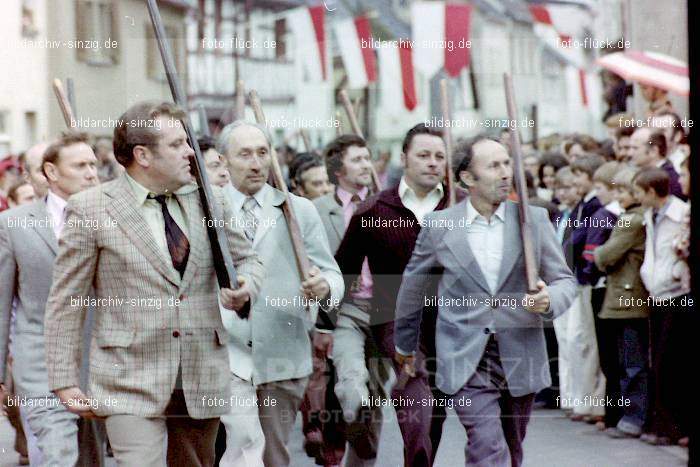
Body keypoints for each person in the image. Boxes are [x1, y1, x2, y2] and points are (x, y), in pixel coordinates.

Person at [43, 102, 265, 467]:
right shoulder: (91, 209)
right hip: (127, 377)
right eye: (177, 144)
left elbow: (247, 259)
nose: (190, 151)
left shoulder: (210, 200)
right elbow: (67, 300)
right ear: (142, 155)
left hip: (200, 374)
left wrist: (246, 285)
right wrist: (64, 380)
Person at [394, 137, 576, 467]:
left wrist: (550, 299)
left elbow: (565, 281)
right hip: (465, 356)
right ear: (467, 178)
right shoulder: (440, 226)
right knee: (486, 445)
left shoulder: (532, 221)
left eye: (507, 163)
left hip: (521, 350)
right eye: (494, 166)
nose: (506, 172)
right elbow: (412, 289)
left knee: (511, 448)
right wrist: (405, 347)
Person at [216, 121, 343, 467]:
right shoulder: (207, 210)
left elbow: (332, 272)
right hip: (227, 352)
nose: (256, 163)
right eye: (245, 154)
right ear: (223, 160)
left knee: (273, 454)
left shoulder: (297, 210)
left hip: (283, 353)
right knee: (242, 444)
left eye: (262, 153)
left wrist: (325, 286)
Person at [334, 124, 450, 467]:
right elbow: (343, 272)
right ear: (404, 158)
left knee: (435, 411)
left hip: (450, 320)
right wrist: (325, 326)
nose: (432, 163)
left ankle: (421, 458)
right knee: (413, 385)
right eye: (424, 155)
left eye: (439, 157)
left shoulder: (458, 207)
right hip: (394, 318)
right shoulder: (373, 211)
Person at [0, 132, 100, 466]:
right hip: (39, 363)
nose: (91, 173)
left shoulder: (113, 219)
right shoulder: (13, 225)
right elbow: (1, 306)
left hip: (102, 361)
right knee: (59, 453)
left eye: (93, 165)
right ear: (51, 173)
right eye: (80, 165)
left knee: (92, 458)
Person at [310, 134, 376, 466]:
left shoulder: (387, 205)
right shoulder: (318, 212)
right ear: (338, 168)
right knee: (351, 381)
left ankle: (360, 444)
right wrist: (321, 322)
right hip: (344, 310)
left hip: (384, 309)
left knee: (374, 400)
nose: (366, 164)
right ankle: (353, 410)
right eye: (358, 159)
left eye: (368, 158)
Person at [634, 167, 690, 447]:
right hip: (656, 293)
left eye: (639, 191)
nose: (635, 197)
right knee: (657, 360)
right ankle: (662, 422)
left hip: (677, 294)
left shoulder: (680, 214)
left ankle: (674, 426)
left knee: (671, 362)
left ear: (651, 192)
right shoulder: (649, 216)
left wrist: (674, 273)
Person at [594, 166, 650, 439]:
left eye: (621, 190)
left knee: (631, 363)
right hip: (625, 298)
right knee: (626, 362)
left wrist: (599, 255)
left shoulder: (631, 220)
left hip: (627, 300)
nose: (617, 196)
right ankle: (628, 416)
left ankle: (633, 417)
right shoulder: (633, 217)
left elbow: (605, 255)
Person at [581, 161, 623, 430]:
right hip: (610, 287)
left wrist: (589, 269)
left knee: (609, 353)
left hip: (602, 287)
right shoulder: (610, 213)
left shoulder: (606, 215)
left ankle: (613, 413)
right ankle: (611, 411)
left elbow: (592, 253)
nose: (597, 194)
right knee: (611, 354)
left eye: (600, 187)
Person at [563, 154, 605, 423]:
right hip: (577, 280)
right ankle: (581, 398)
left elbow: (584, 242)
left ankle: (592, 402)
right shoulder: (582, 205)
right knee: (576, 340)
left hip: (587, 280)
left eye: (579, 175)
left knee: (588, 343)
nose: (574, 180)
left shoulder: (594, 207)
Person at [629, 128, 685, 200]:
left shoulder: (670, 180)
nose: (629, 153)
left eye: (635, 148)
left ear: (653, 151)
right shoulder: (649, 175)